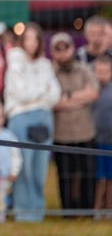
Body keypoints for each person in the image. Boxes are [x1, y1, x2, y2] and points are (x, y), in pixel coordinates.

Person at [4, 22, 60, 222]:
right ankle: (22, 212)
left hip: (44, 117)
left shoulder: (45, 64)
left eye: (35, 39)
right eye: (27, 38)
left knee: (40, 168)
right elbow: (21, 93)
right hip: (21, 116)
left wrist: (39, 94)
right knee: (23, 167)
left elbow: (55, 94)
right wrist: (41, 91)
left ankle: (37, 211)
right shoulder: (15, 61)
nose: (31, 43)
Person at [51, 31, 99, 214]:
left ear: (72, 49)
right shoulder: (51, 72)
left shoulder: (84, 69)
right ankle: (68, 211)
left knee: (87, 173)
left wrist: (68, 98)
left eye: (66, 48)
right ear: (53, 52)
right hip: (61, 133)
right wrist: (80, 97)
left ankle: (87, 209)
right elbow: (53, 100)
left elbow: (93, 93)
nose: (63, 53)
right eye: (58, 49)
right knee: (65, 175)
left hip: (85, 131)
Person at [93, 55, 112, 218]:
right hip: (95, 142)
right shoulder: (91, 90)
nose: (102, 74)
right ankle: (96, 209)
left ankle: (109, 209)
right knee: (98, 178)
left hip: (110, 142)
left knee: (111, 178)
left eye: (105, 71)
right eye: (99, 71)